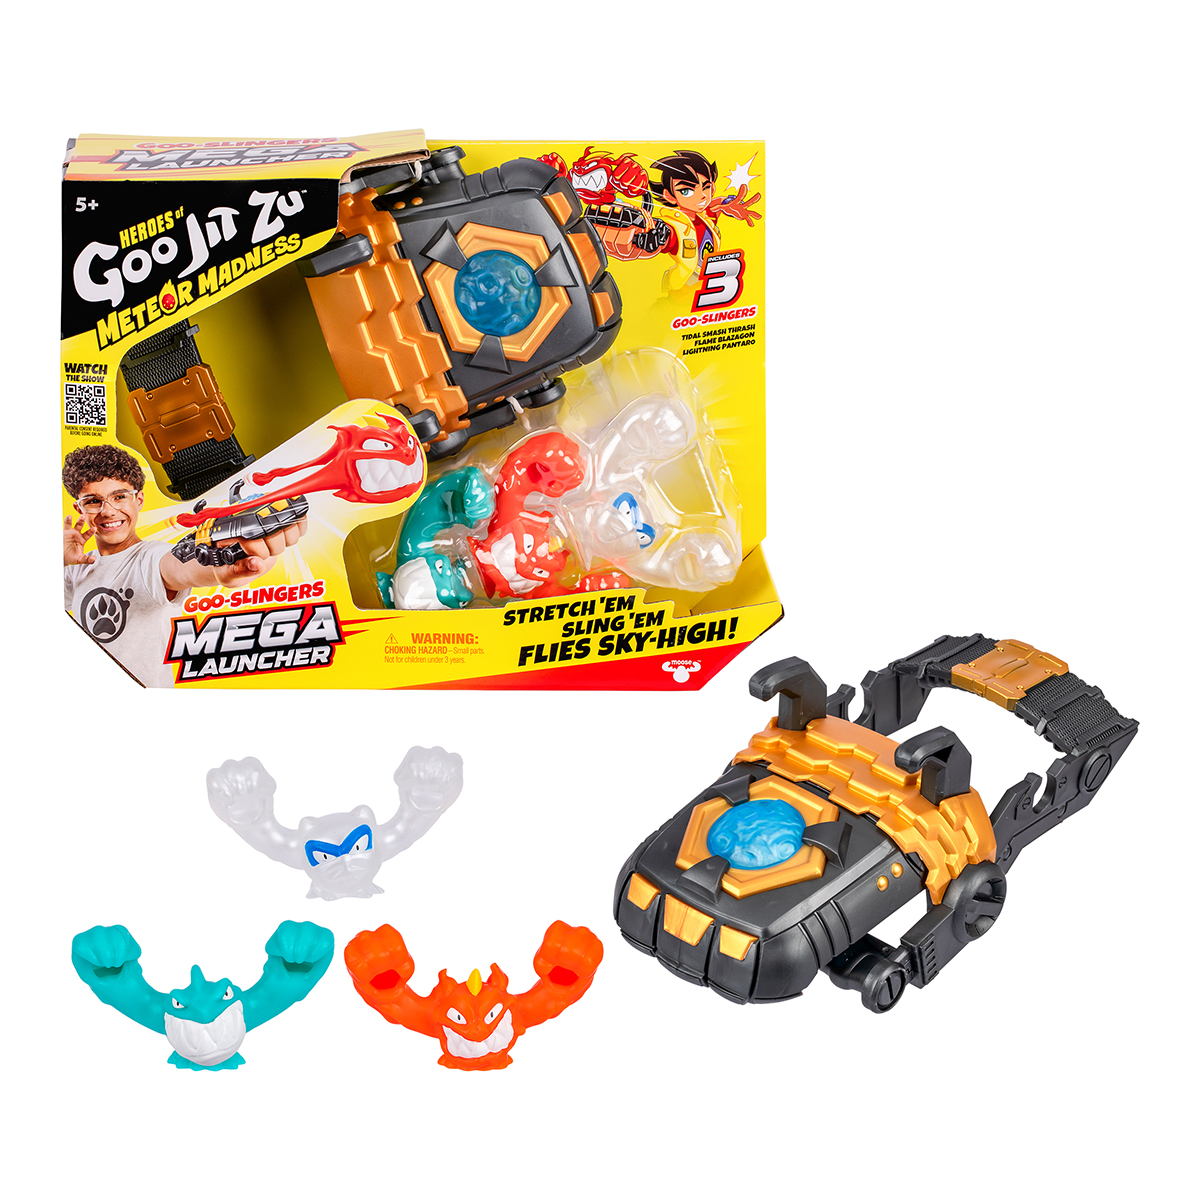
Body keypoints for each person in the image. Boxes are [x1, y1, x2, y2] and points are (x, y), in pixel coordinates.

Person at [63, 444, 305, 687]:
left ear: (139, 500)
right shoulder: (77, 567)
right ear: (79, 508)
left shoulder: (151, 558)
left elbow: (180, 568)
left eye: (119, 497)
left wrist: (222, 562)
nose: (108, 511)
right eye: (93, 501)